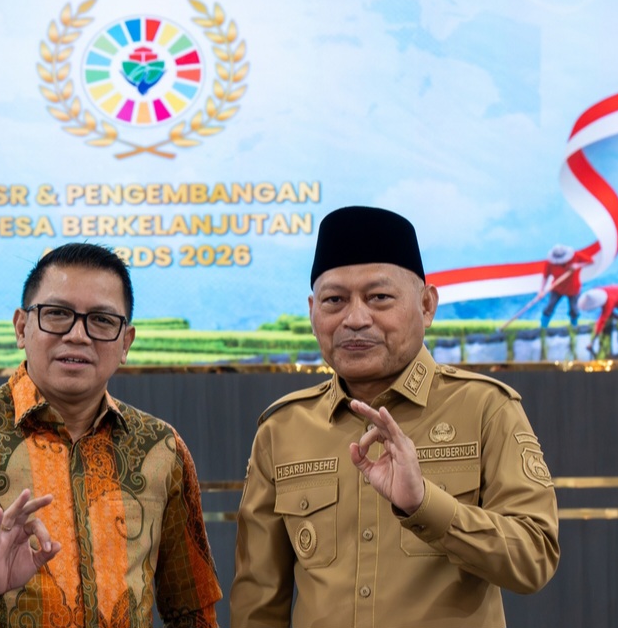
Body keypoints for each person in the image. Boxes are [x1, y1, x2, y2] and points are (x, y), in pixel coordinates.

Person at [230, 206, 560, 627]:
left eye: (379, 298)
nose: (355, 319)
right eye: (334, 301)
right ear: (312, 311)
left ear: (426, 305)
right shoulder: (282, 428)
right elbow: (257, 603)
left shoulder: (486, 408)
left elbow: (534, 559)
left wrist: (424, 505)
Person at [0, 243, 222, 627]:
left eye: (102, 320)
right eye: (57, 314)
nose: (78, 335)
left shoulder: (161, 449)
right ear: (22, 327)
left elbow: (193, 611)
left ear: (126, 342)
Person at [577, 284, 618, 356]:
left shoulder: (609, 300)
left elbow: (602, 319)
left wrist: (592, 342)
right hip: (616, 297)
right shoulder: (597, 293)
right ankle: (606, 333)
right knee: (609, 318)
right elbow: (606, 308)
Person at [540, 244, 593, 329]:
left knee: (574, 309)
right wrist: (541, 290)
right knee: (549, 307)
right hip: (557, 288)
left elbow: (591, 261)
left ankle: (574, 327)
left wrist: (578, 266)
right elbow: (545, 276)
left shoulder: (575, 256)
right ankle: (543, 327)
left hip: (573, 289)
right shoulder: (549, 262)